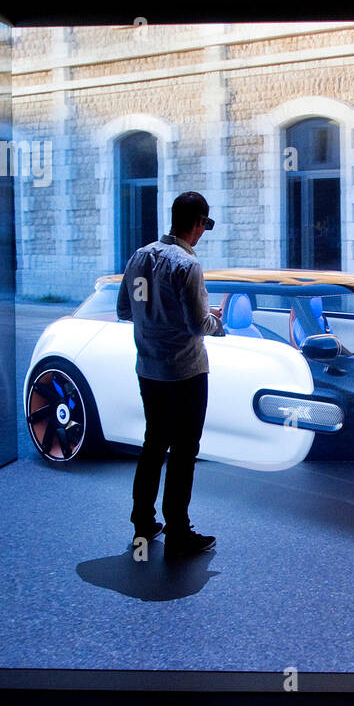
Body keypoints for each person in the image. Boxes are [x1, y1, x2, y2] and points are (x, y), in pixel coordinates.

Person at [116, 191, 223, 557]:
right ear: (196, 223)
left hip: (149, 369)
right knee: (183, 450)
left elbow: (124, 311)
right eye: (205, 225)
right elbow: (197, 324)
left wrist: (156, 319)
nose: (203, 232)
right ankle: (178, 530)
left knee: (153, 444)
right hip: (186, 373)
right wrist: (217, 323)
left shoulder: (139, 256)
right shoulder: (187, 265)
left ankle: (143, 522)